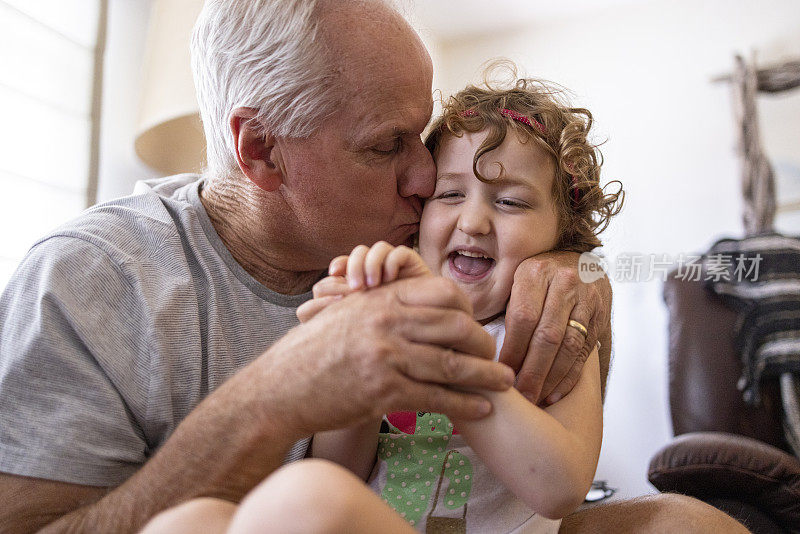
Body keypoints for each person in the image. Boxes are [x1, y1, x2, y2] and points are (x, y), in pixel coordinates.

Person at [0, 1, 748, 533]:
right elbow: (343, 466)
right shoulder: (90, 280)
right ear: (261, 151)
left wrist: (575, 271)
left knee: (691, 522)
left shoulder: (415, 248)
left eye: (423, 138)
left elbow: (556, 480)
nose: (427, 185)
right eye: (388, 145)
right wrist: (292, 391)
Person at [144, 67, 617, 533]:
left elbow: (560, 488)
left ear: (563, 238)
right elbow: (342, 468)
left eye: (510, 202)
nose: (472, 221)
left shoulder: (553, 333)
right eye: (449, 194)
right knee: (189, 521)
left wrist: (447, 357)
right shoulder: (395, 312)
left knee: (307, 496)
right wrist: (356, 345)